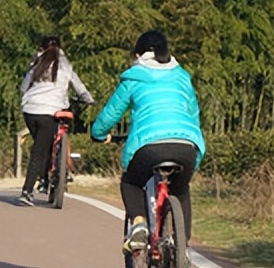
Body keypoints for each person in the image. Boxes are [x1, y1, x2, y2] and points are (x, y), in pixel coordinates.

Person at [90, 29, 205, 252]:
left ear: (138, 55)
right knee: (180, 190)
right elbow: (193, 113)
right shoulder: (182, 76)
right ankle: (182, 248)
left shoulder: (134, 77)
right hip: (186, 143)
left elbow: (111, 113)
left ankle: (140, 225)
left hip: (148, 146)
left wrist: (98, 134)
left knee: (131, 183)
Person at [18, 35, 94, 206]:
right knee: (40, 149)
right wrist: (88, 99)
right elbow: (80, 88)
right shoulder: (65, 66)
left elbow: (23, 87)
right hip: (51, 112)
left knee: (41, 144)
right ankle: (27, 190)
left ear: (41, 48)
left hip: (30, 111)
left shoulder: (36, 64)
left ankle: (44, 179)